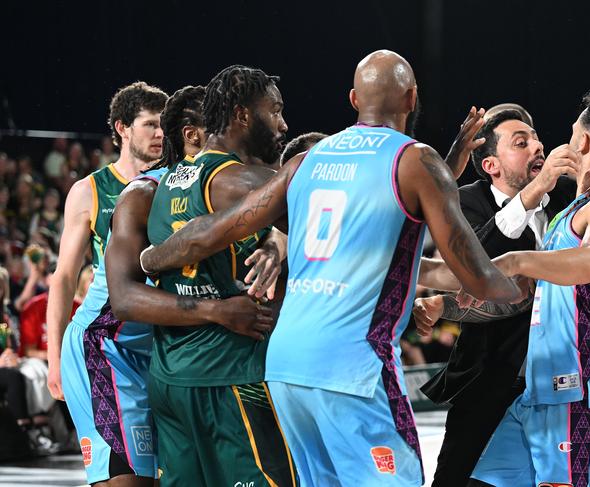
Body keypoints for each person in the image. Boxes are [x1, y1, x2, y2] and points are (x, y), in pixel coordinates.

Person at [140, 50, 524, 487]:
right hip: (351, 367)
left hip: (285, 368)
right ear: (413, 97)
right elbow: (477, 277)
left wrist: (152, 258)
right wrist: (522, 288)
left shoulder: (308, 160)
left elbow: (213, 231)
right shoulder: (417, 160)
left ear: (354, 99)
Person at [415, 104, 590, 486]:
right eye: (522, 141)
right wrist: (400, 264)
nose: (541, 146)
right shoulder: (495, 204)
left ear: (584, 141)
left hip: (580, 385)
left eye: (538, 136)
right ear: (491, 164)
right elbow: (477, 269)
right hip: (518, 386)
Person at [141, 69, 296, 487]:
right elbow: (335, 214)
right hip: (229, 374)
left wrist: (273, 242)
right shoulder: (240, 181)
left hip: (170, 375)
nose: (283, 123)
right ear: (243, 115)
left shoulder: (167, 181)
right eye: (276, 111)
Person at [46, 81, 168, 486]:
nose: (160, 134)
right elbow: (64, 278)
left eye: (164, 125)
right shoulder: (90, 190)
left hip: (152, 346)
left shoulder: (172, 184)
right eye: (150, 124)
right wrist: (53, 360)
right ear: (122, 128)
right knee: (124, 475)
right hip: (105, 345)